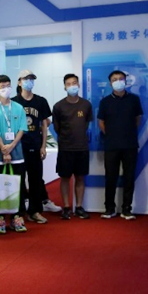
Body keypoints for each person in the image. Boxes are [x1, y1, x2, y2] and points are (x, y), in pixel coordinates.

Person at [0, 75, 27, 234]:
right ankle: (0, 218)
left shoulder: (18, 107)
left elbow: (22, 129)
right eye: (3, 86)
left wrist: (11, 146)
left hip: (17, 154)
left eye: (8, 85)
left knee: (18, 187)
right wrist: (3, 148)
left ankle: (17, 217)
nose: (6, 89)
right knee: (0, 188)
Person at [98, 70, 142, 220]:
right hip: (111, 145)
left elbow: (137, 119)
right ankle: (109, 209)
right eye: (114, 79)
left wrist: (127, 132)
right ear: (110, 83)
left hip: (130, 144)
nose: (118, 82)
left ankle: (126, 209)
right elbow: (101, 122)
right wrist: (111, 134)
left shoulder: (134, 99)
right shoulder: (105, 102)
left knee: (129, 177)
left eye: (120, 79)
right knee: (110, 177)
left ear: (126, 81)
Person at [11, 69, 52, 223]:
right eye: (26, 79)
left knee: (36, 180)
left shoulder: (40, 101)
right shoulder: (14, 102)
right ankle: (19, 212)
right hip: (18, 147)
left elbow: (44, 125)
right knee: (19, 181)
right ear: (19, 82)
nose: (29, 82)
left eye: (31, 79)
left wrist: (43, 146)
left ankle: (35, 211)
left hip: (35, 144)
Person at [52, 74, 92, 220]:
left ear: (79, 85)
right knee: (64, 178)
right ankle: (66, 207)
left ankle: (79, 207)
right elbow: (57, 127)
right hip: (65, 148)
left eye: (74, 83)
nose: (72, 86)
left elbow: (87, 124)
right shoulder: (58, 106)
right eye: (68, 84)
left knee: (80, 178)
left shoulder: (86, 104)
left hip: (82, 147)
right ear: (64, 87)